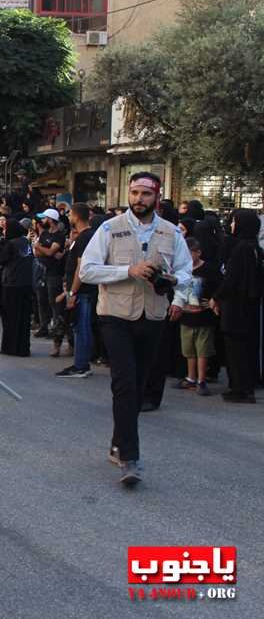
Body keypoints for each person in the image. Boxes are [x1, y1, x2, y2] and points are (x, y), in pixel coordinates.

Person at [80, 172, 191, 486]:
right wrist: (128, 270)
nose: (139, 199)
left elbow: (185, 271)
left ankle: (118, 443)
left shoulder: (172, 233)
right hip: (115, 316)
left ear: (157, 197)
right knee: (125, 382)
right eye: (134, 193)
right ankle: (131, 457)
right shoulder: (108, 229)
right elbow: (87, 270)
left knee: (138, 386)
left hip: (152, 317)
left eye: (145, 194)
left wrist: (174, 285)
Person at [211, 210, 262, 404]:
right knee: (245, 348)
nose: (231, 226)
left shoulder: (241, 248)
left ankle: (240, 388)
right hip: (248, 306)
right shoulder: (254, 247)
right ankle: (245, 386)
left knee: (235, 349)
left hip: (236, 307)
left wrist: (216, 297)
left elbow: (231, 278)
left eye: (234, 222)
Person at [173, 237, 221, 396]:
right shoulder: (181, 271)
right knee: (188, 349)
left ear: (198, 252)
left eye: (189, 253)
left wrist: (215, 300)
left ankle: (201, 379)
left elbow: (220, 286)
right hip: (186, 316)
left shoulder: (210, 270)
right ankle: (190, 377)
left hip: (203, 317)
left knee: (202, 349)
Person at [57, 203, 97, 378]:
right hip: (80, 289)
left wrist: (72, 292)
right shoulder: (82, 237)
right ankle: (81, 363)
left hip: (83, 291)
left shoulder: (85, 237)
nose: (68, 217)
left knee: (81, 327)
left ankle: (81, 365)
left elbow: (82, 267)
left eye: (70, 214)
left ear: (76, 216)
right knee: (80, 327)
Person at [0, 215, 33, 357]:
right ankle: (23, 347)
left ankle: (10, 347)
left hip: (12, 284)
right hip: (26, 283)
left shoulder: (11, 244)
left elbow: (1, 260)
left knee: (10, 318)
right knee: (24, 318)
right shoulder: (25, 242)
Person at [33, 208, 67, 357]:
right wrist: (44, 250)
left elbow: (49, 252)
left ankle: (56, 338)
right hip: (42, 272)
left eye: (44, 218)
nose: (42, 221)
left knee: (55, 305)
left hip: (55, 275)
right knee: (41, 300)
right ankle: (44, 326)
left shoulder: (59, 236)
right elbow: (40, 253)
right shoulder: (45, 234)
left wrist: (39, 246)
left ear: (51, 219)